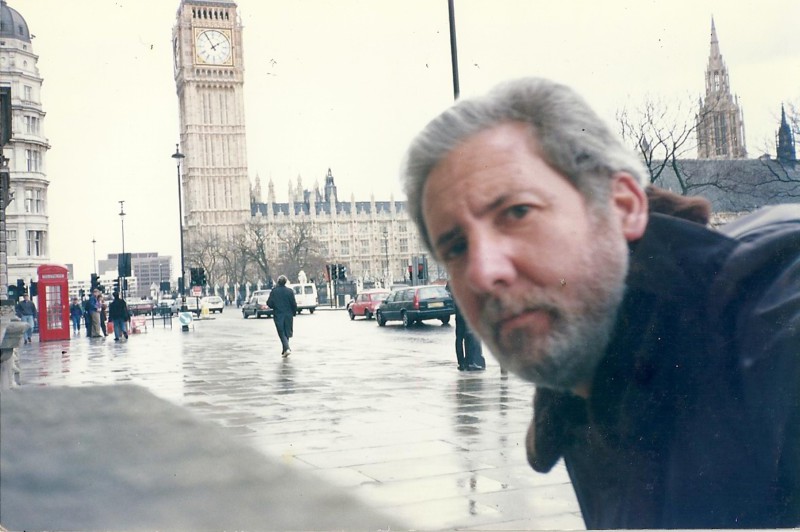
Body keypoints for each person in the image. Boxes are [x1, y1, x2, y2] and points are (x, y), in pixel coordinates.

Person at [402, 77, 800, 529]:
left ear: (624, 206)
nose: (482, 272)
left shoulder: (770, 323)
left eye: (517, 212)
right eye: (455, 247)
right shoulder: (580, 367)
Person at [267, 275, 297, 357]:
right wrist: (294, 312)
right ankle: (285, 350)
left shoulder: (274, 291)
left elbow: (269, 303)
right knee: (287, 332)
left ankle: (287, 348)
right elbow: (293, 303)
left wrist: (275, 305)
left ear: (278, 282)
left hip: (278, 314)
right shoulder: (290, 291)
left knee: (281, 332)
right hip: (288, 314)